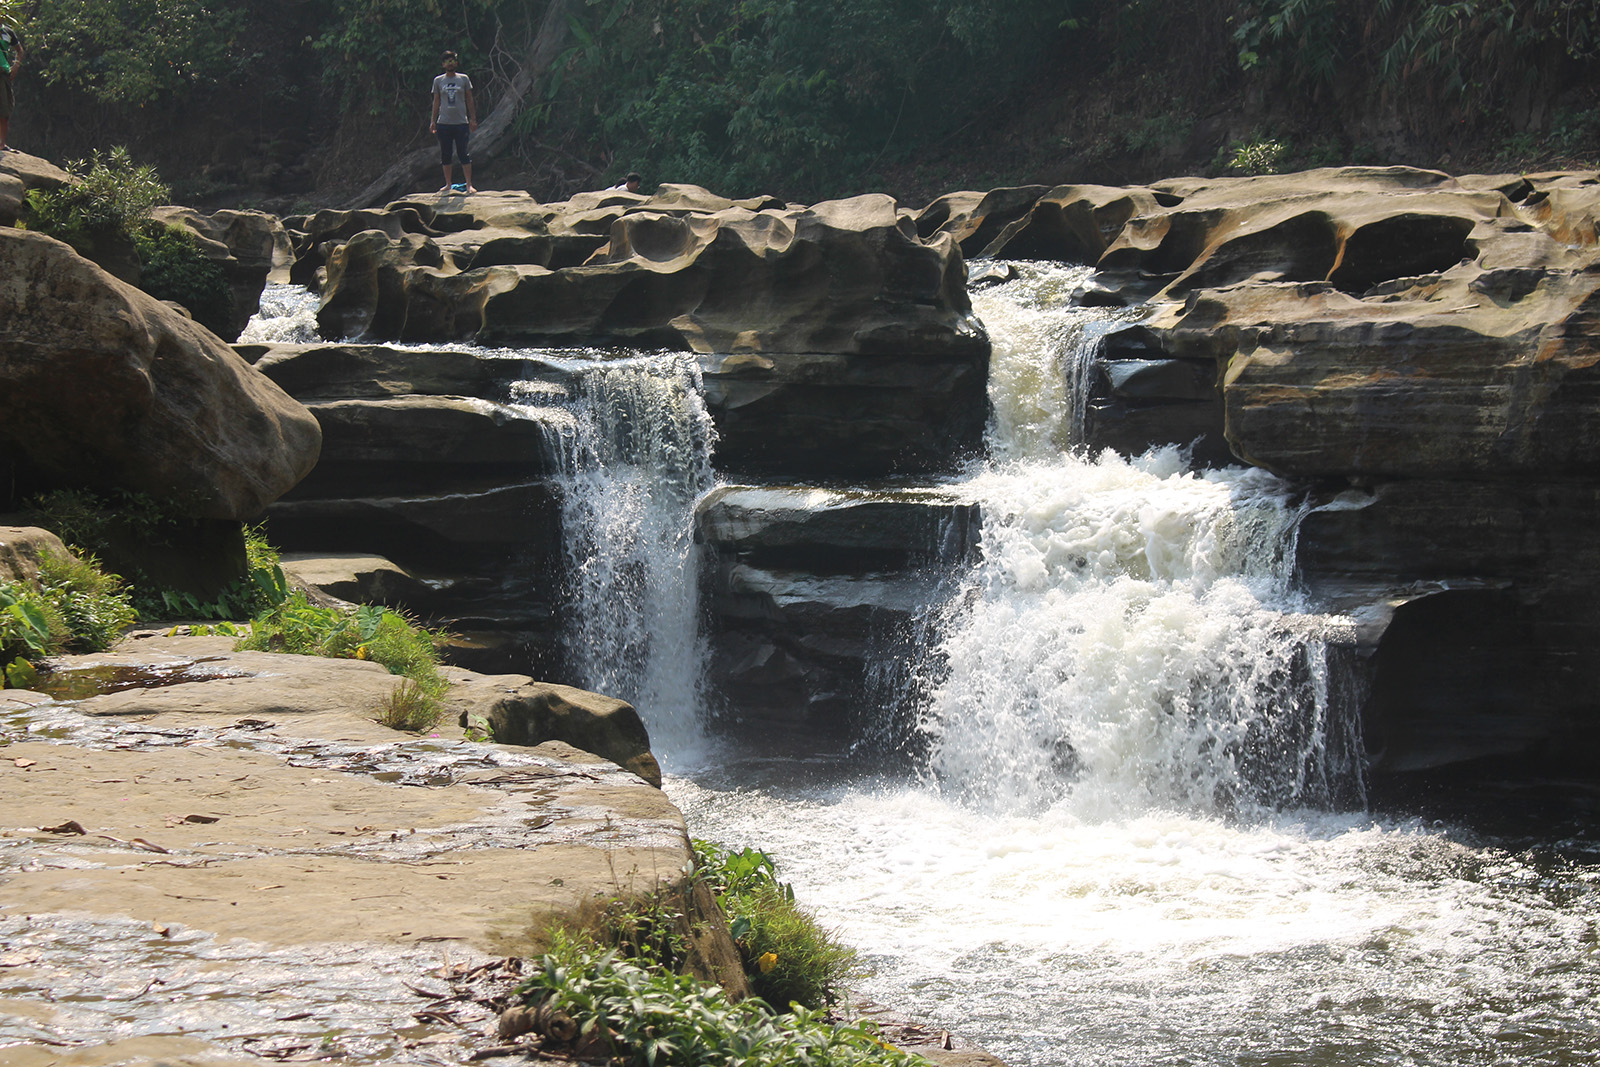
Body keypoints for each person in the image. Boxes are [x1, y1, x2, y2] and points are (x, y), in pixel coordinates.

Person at [430, 50, 477, 194]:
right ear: (443, 64)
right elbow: (436, 101)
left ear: (456, 63)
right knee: (446, 153)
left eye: (453, 61)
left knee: (463, 152)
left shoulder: (463, 79)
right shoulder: (438, 80)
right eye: (447, 61)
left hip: (461, 122)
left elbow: (469, 99)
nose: (450, 63)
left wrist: (473, 119)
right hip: (444, 123)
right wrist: (433, 121)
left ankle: (469, 185)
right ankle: (448, 184)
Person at [0, 17, 22, 153]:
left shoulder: (7, 32)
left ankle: (2, 143)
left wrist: (16, 66)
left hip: (3, 75)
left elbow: (20, 51)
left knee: (4, 109)